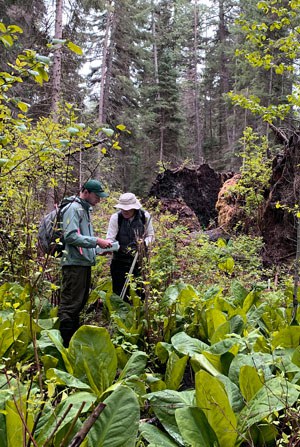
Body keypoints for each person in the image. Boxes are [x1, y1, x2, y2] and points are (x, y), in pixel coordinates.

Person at [58, 179, 112, 347]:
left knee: (79, 303)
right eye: (97, 196)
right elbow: (70, 236)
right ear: (86, 192)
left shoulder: (84, 210)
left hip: (82, 264)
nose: (99, 200)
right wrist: (96, 240)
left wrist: (100, 249)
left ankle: (73, 343)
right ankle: (63, 345)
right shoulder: (74, 209)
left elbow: (82, 241)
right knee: (70, 305)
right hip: (73, 265)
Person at [106, 192, 154, 299]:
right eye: (123, 209)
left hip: (140, 261)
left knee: (139, 294)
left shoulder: (144, 217)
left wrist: (143, 244)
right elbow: (110, 238)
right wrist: (109, 246)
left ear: (134, 208)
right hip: (119, 262)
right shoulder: (116, 218)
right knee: (119, 294)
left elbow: (151, 236)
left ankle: (138, 314)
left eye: (128, 209)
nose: (125, 211)